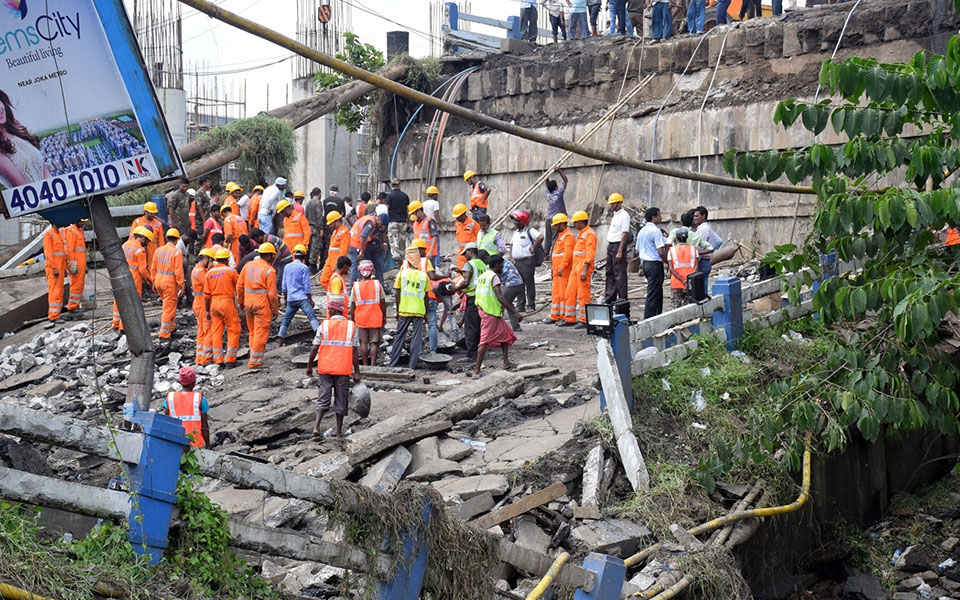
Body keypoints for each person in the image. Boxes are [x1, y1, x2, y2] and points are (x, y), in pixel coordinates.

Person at [305, 295, 360, 439]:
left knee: (323, 397)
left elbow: (314, 348)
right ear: (342, 311)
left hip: (326, 368)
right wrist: (357, 372)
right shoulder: (351, 326)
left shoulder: (324, 325)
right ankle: (339, 432)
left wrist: (309, 366)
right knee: (341, 400)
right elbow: (354, 351)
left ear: (330, 310)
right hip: (343, 369)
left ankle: (316, 426)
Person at [472, 255, 522, 377]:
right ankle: (476, 371)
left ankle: (506, 362)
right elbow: (500, 297)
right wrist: (514, 312)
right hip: (490, 312)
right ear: (497, 265)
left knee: (505, 335)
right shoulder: (494, 277)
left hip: (486, 309)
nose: (503, 267)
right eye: (502, 264)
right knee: (484, 341)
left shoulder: (483, 276)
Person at [238, 243, 279, 369]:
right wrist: (275, 309)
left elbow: (239, 286)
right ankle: (255, 362)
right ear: (268, 255)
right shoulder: (269, 270)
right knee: (261, 333)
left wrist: (241, 303)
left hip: (248, 303)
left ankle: (253, 356)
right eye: (272, 255)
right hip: (262, 305)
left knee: (253, 332)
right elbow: (272, 294)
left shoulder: (248, 266)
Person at [0, 89, 50, 187]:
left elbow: (45, 172)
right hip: (35, 199)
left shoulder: (17, 131)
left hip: (52, 195)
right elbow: (22, 186)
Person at [390, 247, 429, 369]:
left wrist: (397, 310)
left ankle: (393, 363)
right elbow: (426, 296)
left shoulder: (402, 274)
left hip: (404, 310)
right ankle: (412, 365)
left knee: (399, 337)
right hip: (418, 311)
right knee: (416, 339)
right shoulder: (423, 276)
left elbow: (397, 293)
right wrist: (426, 313)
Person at [277, 244, 320, 345]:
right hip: (302, 299)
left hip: (291, 299)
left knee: (286, 321)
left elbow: (284, 286)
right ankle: (319, 338)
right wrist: (310, 300)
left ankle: (280, 342)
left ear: (294, 255)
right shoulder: (304, 268)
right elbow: (307, 286)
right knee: (312, 317)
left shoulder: (287, 267)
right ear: (304, 256)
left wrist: (286, 300)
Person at [560, 211, 596, 328]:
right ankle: (569, 318)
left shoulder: (589, 234)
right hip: (576, 268)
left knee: (583, 294)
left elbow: (590, 253)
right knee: (569, 292)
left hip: (583, 268)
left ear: (581, 222)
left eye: (575, 222)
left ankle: (585, 320)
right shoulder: (582, 233)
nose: (574, 225)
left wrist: (585, 269)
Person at [207, 247, 241, 368]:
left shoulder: (209, 273)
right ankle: (231, 360)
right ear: (227, 260)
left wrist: (207, 311)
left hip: (214, 303)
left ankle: (218, 361)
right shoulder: (231, 271)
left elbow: (206, 295)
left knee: (216, 332)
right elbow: (239, 286)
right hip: (227, 302)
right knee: (233, 329)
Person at [451, 243, 486, 360]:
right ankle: (479, 351)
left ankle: (471, 354)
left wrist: (454, 289)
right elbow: (475, 277)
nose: (464, 256)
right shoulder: (482, 264)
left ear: (470, 251)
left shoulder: (469, 264)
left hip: (472, 297)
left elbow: (466, 282)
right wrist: (462, 271)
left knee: (470, 327)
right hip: (482, 297)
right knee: (478, 325)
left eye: (465, 253)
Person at [113, 228, 153, 330]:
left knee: (119, 299)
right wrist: (151, 280)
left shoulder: (125, 245)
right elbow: (143, 270)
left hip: (121, 275)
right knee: (131, 302)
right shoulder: (140, 250)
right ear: (143, 239)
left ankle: (116, 323)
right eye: (147, 241)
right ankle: (125, 327)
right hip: (133, 278)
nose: (147, 244)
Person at [161, 367, 211, 448]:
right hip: (195, 445)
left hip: (175, 443)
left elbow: (166, 422)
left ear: (180, 382)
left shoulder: (170, 398)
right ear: (194, 382)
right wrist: (208, 445)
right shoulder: (200, 399)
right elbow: (204, 426)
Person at [413, 238, 445, 354]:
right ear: (420, 250)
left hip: (414, 299)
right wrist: (444, 276)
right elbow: (432, 276)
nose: (425, 252)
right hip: (429, 296)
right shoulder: (425, 262)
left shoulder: (406, 263)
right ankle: (433, 351)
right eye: (424, 250)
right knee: (432, 325)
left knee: (418, 326)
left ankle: (419, 352)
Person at [350, 260, 386, 366]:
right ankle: (373, 364)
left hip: (361, 319)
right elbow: (383, 302)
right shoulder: (377, 284)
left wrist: (352, 318)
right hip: (375, 317)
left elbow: (353, 305)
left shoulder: (355, 287)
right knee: (374, 342)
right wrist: (383, 316)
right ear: (372, 271)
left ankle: (365, 365)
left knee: (363, 342)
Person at [152, 228, 185, 341]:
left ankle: (171, 327)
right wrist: (182, 286)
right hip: (169, 283)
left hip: (159, 281)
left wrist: (153, 281)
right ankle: (164, 334)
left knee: (167, 306)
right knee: (169, 308)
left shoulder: (158, 250)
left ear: (167, 238)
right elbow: (178, 272)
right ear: (176, 240)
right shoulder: (177, 253)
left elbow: (153, 268)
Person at [508, 210, 543, 312]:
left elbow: (540, 237)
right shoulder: (516, 233)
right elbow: (512, 245)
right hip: (517, 262)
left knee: (529, 284)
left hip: (527, 261)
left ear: (522, 221)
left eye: (516, 221)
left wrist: (533, 247)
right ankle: (521, 305)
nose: (514, 223)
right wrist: (511, 257)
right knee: (519, 284)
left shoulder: (530, 230)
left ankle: (531, 306)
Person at [636, 206, 667, 319]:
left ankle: (656, 316)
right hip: (654, 263)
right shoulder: (655, 231)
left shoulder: (642, 231)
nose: (660, 217)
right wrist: (667, 261)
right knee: (653, 292)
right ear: (653, 217)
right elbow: (661, 251)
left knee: (657, 290)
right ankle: (648, 318)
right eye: (659, 215)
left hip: (645, 263)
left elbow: (636, 251)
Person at [547, 213, 575, 324]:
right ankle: (556, 315)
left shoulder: (568, 236)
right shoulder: (562, 235)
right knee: (556, 293)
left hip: (563, 270)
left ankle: (565, 317)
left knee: (564, 294)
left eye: (556, 225)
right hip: (558, 270)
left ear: (561, 224)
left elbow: (568, 254)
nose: (554, 227)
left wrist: (562, 267)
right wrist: (553, 267)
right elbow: (557, 254)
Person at [604, 193, 631, 303]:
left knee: (619, 275)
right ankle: (610, 298)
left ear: (620, 203)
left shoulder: (624, 215)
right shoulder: (616, 215)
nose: (611, 205)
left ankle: (622, 299)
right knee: (609, 273)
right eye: (611, 204)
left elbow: (624, 234)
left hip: (617, 246)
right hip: (611, 246)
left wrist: (620, 251)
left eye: (613, 203)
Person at [192, 248, 215, 366]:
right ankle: (205, 359)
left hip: (198, 303)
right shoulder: (200, 272)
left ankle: (199, 359)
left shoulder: (196, 270)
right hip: (202, 304)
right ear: (206, 259)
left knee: (201, 332)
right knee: (208, 331)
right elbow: (209, 286)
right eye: (211, 260)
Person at [667, 228, 700, 309]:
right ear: (687, 237)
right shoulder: (694, 249)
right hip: (691, 284)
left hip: (676, 283)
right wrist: (687, 281)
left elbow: (671, 269)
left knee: (675, 308)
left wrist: (683, 281)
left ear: (677, 238)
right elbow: (696, 267)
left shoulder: (672, 250)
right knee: (689, 308)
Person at [347, 207, 378, 286]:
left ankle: (358, 286)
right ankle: (353, 289)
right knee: (356, 266)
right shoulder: (371, 223)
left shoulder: (368, 218)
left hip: (353, 243)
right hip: (356, 245)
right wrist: (361, 251)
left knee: (358, 267)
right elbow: (363, 236)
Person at [42, 223, 66, 322]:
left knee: (59, 291)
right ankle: (53, 316)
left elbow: (61, 253)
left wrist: (63, 269)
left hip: (59, 267)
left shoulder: (58, 234)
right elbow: (48, 253)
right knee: (55, 292)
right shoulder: (49, 234)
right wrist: (54, 268)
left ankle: (57, 313)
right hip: (53, 268)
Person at [130, 201, 164, 268]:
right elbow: (132, 237)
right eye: (151, 213)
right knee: (141, 268)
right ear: (146, 212)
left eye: (154, 213)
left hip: (153, 251)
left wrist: (161, 253)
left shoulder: (158, 224)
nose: (153, 215)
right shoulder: (137, 222)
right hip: (140, 250)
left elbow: (161, 240)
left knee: (152, 268)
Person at [321, 211, 350, 291]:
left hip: (337, 262)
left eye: (331, 223)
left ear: (336, 221)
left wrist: (339, 265)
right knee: (324, 280)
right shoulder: (335, 232)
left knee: (337, 281)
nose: (330, 226)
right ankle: (333, 294)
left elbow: (343, 251)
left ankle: (337, 296)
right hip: (330, 260)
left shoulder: (344, 232)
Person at [692, 206, 723, 278]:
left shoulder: (703, 229)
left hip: (702, 261)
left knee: (700, 286)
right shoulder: (705, 228)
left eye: (697, 216)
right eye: (694, 216)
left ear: (703, 216)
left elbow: (700, 247)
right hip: (705, 261)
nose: (695, 218)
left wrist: (696, 256)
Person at [63, 220, 87, 312]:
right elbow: (69, 249)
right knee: (76, 283)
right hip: (75, 261)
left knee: (79, 283)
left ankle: (75, 304)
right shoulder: (71, 231)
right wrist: (72, 263)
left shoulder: (79, 230)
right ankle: (72, 306)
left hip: (80, 261)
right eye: (81, 222)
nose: (83, 224)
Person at [499, 255, 526, 332]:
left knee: (502, 304)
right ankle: (516, 326)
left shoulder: (497, 264)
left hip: (512, 284)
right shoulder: (504, 261)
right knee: (508, 303)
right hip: (519, 283)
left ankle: (498, 326)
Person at [410, 200, 440, 269]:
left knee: (430, 273)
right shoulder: (415, 223)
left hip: (428, 253)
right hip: (419, 254)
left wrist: (430, 251)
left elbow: (435, 236)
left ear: (420, 211)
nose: (413, 216)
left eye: (414, 213)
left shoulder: (429, 221)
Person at [386, 178, 410, 262]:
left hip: (393, 221)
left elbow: (387, 209)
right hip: (403, 222)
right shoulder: (405, 196)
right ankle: (402, 259)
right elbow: (407, 211)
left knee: (393, 240)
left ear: (392, 185)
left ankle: (396, 260)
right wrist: (409, 222)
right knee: (402, 241)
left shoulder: (389, 196)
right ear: (399, 185)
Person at [544, 169, 568, 253]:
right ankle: (553, 255)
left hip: (548, 218)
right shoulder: (559, 193)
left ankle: (545, 254)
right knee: (555, 237)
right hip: (556, 219)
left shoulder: (548, 194)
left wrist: (546, 176)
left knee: (548, 237)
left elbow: (547, 185)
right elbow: (565, 180)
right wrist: (559, 170)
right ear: (556, 187)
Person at [453, 203, 480, 270]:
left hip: (471, 253)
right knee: (461, 274)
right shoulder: (457, 224)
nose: (457, 218)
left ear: (463, 214)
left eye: (458, 216)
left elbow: (480, 237)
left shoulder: (473, 224)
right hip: (461, 254)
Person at [305, 187, 325, 272]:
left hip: (308, 227)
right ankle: (312, 266)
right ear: (319, 194)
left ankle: (307, 263)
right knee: (315, 247)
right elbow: (319, 217)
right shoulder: (318, 203)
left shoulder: (308, 203)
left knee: (309, 247)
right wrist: (321, 229)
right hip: (316, 228)